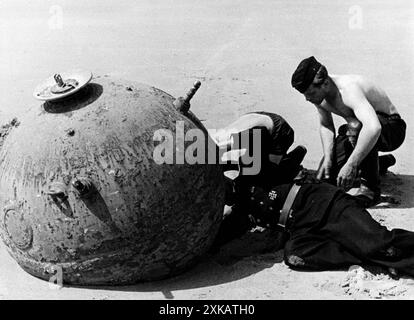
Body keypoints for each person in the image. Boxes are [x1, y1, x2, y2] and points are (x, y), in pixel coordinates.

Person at [291, 56, 406, 207]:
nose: (307, 99)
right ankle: (377, 164)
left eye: (310, 94)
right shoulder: (320, 95)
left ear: (325, 83)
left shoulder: (349, 89)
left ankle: (370, 189)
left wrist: (351, 165)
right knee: (325, 178)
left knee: (356, 128)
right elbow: (326, 125)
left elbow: (373, 128)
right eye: (305, 94)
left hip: (392, 129)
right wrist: (328, 158)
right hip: (362, 129)